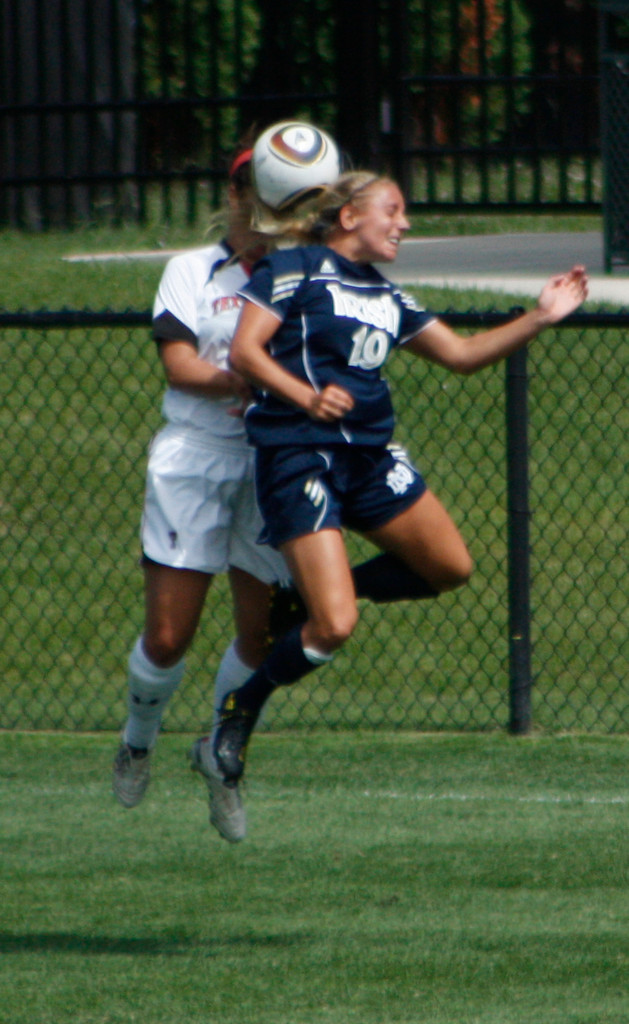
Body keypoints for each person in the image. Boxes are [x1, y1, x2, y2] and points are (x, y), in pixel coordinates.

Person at [211, 170, 589, 786]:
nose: (404, 223)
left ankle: (307, 598)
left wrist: (541, 317)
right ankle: (240, 709)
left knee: (449, 568)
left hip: (369, 458)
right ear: (350, 217)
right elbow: (245, 353)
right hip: (300, 454)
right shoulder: (295, 268)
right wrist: (307, 397)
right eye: (392, 210)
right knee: (335, 627)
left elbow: (461, 355)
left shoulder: (387, 295)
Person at [112, 125, 342, 844]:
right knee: (168, 635)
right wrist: (245, 379)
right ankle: (137, 740)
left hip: (272, 460)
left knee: (260, 631)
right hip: (196, 456)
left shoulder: (305, 271)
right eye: (256, 189)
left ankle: (219, 751)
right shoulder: (193, 270)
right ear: (237, 193)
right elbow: (179, 364)